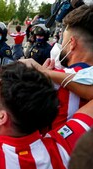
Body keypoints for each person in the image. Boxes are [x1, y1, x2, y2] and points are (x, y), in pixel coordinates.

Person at [20, 4, 93, 133]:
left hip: (56, 150)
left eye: (62, 41)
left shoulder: (53, 80)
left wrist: (40, 77)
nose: (60, 46)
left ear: (72, 43)